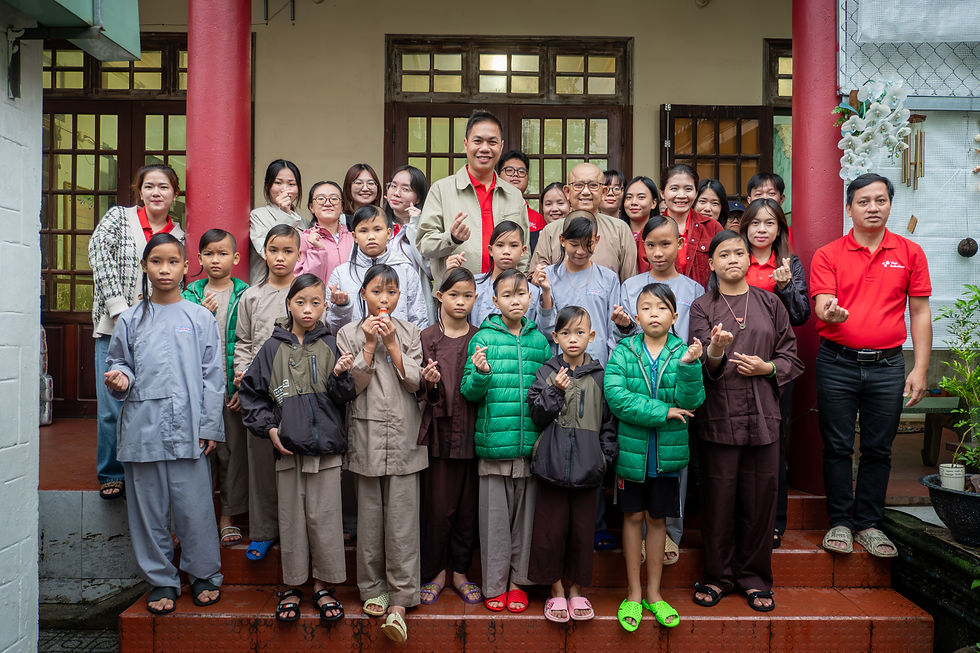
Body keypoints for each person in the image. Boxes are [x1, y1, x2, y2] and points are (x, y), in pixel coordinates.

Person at [810, 173, 931, 559]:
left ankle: (869, 524)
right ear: (849, 208)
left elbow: (921, 311)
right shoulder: (829, 253)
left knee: (879, 449)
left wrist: (920, 368)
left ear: (890, 205)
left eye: (880, 200)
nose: (873, 207)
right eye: (864, 201)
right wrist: (830, 310)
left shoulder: (910, 252)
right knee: (838, 446)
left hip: (889, 365)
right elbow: (821, 303)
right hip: (837, 363)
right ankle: (841, 523)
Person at [104, 233, 224, 615]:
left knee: (196, 506)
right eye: (156, 261)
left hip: (189, 428)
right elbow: (117, 363)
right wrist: (119, 377)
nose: (165, 269)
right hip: (143, 427)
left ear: (187, 267)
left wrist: (209, 426)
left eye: (173, 261)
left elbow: (213, 376)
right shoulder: (129, 319)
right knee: (148, 510)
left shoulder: (200, 317)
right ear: (144, 267)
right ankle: (161, 580)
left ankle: (203, 573)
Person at [689, 231, 803, 613]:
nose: (733, 259)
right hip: (720, 415)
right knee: (719, 501)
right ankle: (718, 576)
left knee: (759, 501)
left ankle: (755, 577)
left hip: (763, 415)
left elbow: (789, 354)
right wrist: (716, 352)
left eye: (740, 252)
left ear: (749, 259)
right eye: (725, 254)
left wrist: (767, 367)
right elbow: (702, 364)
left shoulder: (771, 303)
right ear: (713, 263)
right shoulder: (702, 307)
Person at [239, 274, 356, 625]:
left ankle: (323, 586)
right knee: (291, 522)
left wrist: (339, 375)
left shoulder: (332, 343)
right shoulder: (272, 348)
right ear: (289, 304)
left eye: (316, 303)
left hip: (327, 451)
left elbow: (344, 397)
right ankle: (292, 586)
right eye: (301, 302)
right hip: (288, 449)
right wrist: (270, 429)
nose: (308, 309)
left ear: (324, 306)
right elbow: (251, 394)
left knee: (325, 522)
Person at [336, 264, 428, 643]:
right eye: (377, 292)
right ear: (363, 295)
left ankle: (403, 596)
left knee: (404, 519)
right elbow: (351, 386)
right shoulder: (346, 333)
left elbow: (415, 381)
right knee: (370, 518)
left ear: (400, 296)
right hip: (367, 433)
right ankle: (372, 588)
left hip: (404, 434)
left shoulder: (409, 332)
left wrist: (391, 344)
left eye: (391, 293)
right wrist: (370, 345)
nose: (384, 300)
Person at [605, 283, 705, 632]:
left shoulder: (683, 351)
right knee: (632, 517)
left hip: (668, 454)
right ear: (636, 316)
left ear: (674, 316)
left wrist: (691, 367)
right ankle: (632, 592)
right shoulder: (624, 351)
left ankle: (654, 593)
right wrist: (663, 411)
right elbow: (616, 397)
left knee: (658, 520)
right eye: (646, 308)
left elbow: (690, 402)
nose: (653, 314)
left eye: (661, 309)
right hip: (632, 453)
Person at [89, 164, 185, 501]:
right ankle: (111, 472)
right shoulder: (119, 217)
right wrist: (118, 309)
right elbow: (99, 256)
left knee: (149, 401)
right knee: (111, 404)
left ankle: (143, 469)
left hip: (156, 333)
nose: (156, 193)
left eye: (164, 187)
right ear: (139, 190)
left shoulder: (179, 234)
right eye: (149, 187)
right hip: (113, 326)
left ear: (175, 193)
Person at [461, 269, 552, 614]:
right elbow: (469, 392)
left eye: (521, 294)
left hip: (531, 446)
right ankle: (494, 585)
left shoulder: (539, 342)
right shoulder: (482, 339)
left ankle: (518, 584)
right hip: (493, 446)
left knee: (525, 523)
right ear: (495, 300)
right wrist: (482, 374)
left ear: (530, 300)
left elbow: (547, 395)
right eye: (508, 295)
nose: (515, 301)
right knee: (494, 523)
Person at [617, 216, 704, 564]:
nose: (657, 251)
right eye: (650, 245)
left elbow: (693, 340)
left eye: (666, 244)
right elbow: (621, 337)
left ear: (680, 245)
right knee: (636, 464)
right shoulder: (630, 285)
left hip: (676, 381)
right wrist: (625, 327)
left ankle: (671, 534)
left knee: (673, 465)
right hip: (639, 378)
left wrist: (689, 366)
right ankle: (637, 540)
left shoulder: (693, 289)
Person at [527, 307, 618, 624]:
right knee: (550, 531)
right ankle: (554, 591)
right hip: (551, 464)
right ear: (555, 337)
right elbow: (537, 413)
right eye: (565, 333)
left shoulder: (599, 375)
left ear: (592, 337)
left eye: (580, 332)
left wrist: (604, 456)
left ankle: (576, 589)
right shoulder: (547, 372)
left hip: (587, 467)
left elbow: (609, 422)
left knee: (582, 532)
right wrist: (556, 390)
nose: (573, 339)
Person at [739, 198, 811, 548]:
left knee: (774, 447)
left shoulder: (790, 264)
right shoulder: (735, 260)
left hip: (775, 367)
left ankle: (774, 521)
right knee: (738, 443)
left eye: (770, 223)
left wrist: (784, 286)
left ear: (780, 229)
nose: (762, 230)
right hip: (737, 364)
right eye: (755, 223)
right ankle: (740, 519)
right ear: (745, 228)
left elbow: (800, 316)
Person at [233, 224, 301, 561]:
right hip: (260, 391)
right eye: (274, 250)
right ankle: (262, 531)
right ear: (264, 253)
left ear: (299, 256)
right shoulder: (251, 296)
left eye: (288, 251)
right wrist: (240, 373)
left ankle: (295, 529)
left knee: (297, 461)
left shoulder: (304, 294)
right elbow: (243, 342)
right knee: (260, 463)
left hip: (299, 392)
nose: (280, 257)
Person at [417, 268, 483, 607]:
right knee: (437, 509)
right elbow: (418, 392)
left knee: (468, 510)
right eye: (454, 294)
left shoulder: (481, 337)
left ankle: (460, 571)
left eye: (467, 295)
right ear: (439, 296)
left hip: (473, 433)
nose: (460, 301)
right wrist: (427, 383)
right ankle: (436, 572)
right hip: (440, 436)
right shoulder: (427, 338)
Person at [182, 229, 250, 548]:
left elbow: (250, 342)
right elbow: (179, 340)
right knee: (201, 453)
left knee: (232, 454)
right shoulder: (191, 295)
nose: (215, 259)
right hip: (199, 394)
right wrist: (200, 317)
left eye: (223, 253)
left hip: (232, 390)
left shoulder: (245, 294)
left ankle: (228, 516)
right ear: (199, 259)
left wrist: (243, 387)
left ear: (235, 258)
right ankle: (203, 517)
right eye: (209, 253)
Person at [417, 110, 529, 287]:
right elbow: (424, 244)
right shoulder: (442, 189)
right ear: (466, 144)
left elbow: (524, 251)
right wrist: (451, 238)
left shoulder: (514, 195)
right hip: (457, 296)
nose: (485, 148)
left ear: (501, 146)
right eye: (478, 141)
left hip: (504, 295)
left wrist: (517, 288)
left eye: (492, 142)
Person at [326, 205, 429, 333]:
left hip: (398, 348)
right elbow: (332, 329)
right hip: (355, 349)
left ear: (388, 233)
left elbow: (418, 319)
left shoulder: (405, 270)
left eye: (377, 229)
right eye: (363, 231)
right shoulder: (341, 274)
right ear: (354, 237)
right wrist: (341, 307)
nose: (371, 236)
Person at [530, 163, 637, 282]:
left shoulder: (620, 229)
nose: (586, 191)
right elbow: (537, 278)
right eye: (578, 185)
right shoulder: (551, 231)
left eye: (593, 185)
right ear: (567, 192)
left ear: (604, 192)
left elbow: (629, 282)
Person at [449, 220, 554, 334]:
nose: (506, 251)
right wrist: (451, 279)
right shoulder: (474, 286)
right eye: (500, 245)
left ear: (523, 250)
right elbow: (453, 324)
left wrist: (546, 292)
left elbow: (546, 332)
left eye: (513, 245)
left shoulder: (532, 291)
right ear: (490, 250)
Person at [546, 214, 622, 366]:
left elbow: (612, 331)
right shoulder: (549, 276)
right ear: (562, 240)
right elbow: (545, 328)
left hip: (598, 362)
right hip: (561, 364)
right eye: (574, 244)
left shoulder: (608, 278)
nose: (580, 251)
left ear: (597, 240)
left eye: (588, 244)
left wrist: (611, 368)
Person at [385, 165, 436, 325]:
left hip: (415, 304)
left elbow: (429, 268)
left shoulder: (427, 227)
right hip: (381, 301)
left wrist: (415, 226)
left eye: (405, 189)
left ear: (419, 198)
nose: (396, 193)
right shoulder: (377, 225)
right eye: (393, 186)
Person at [660, 164, 723, 288]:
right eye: (674, 189)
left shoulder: (713, 228)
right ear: (662, 193)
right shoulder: (651, 230)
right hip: (662, 304)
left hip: (705, 304)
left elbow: (724, 272)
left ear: (696, 193)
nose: (682, 195)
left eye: (688, 189)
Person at [249, 159, 304, 283]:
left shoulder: (303, 222)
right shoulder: (258, 216)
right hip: (265, 287)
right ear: (268, 186)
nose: (284, 189)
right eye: (278, 183)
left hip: (296, 289)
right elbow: (266, 253)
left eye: (291, 184)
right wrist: (284, 213)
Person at [295, 181, 353, 286]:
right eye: (321, 199)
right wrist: (317, 250)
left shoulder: (353, 238)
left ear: (342, 207)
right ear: (311, 207)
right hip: (318, 300)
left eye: (334, 198)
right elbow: (301, 281)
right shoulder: (303, 239)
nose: (327, 203)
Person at [497, 150, 546, 251]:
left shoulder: (537, 218)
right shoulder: (489, 209)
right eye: (509, 170)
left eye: (521, 171)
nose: (516, 174)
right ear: (498, 176)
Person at [620, 176, 660, 274]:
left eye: (641, 197)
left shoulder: (662, 232)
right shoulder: (616, 233)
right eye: (629, 197)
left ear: (654, 203)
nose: (633, 202)